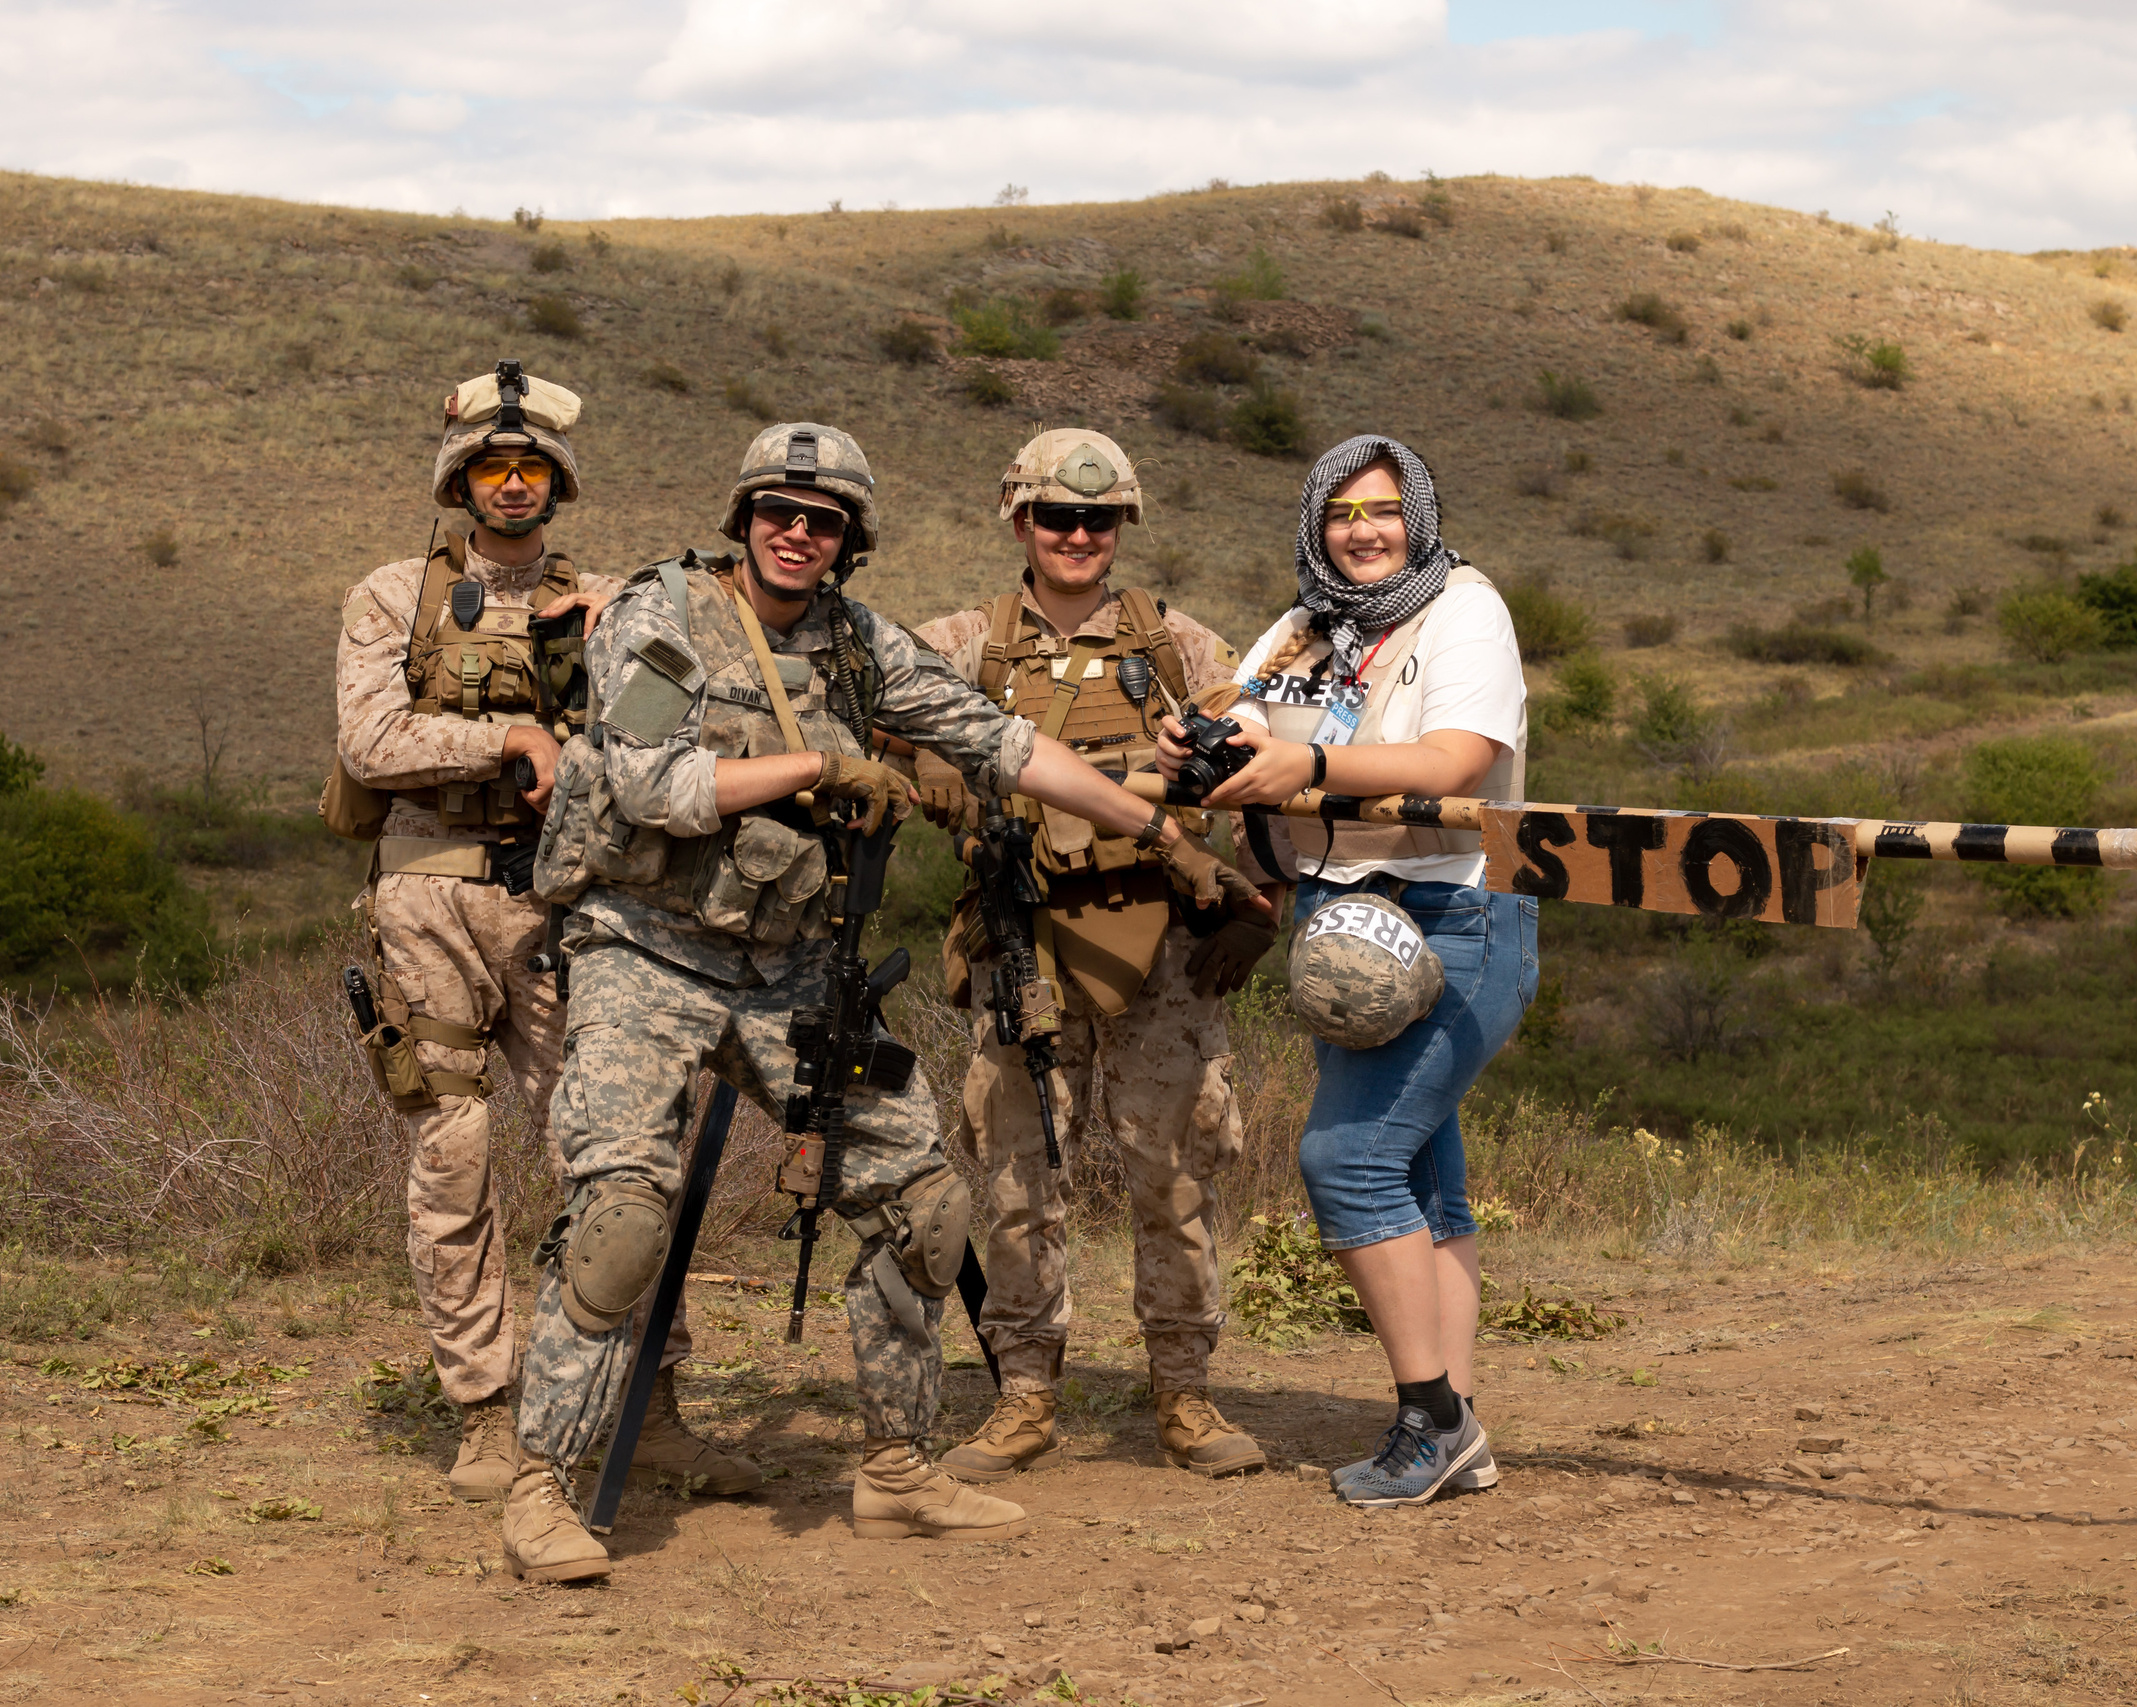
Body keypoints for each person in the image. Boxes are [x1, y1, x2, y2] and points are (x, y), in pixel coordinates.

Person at [498, 421, 1271, 1582]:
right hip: (642, 947)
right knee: (620, 1220)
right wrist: (817, 766)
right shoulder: (661, 615)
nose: (797, 534)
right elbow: (650, 784)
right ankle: (542, 1485)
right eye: (778, 513)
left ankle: (899, 1467)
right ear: (743, 519)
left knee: (918, 1198)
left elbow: (1006, 746)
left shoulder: (860, 645)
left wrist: (1164, 834)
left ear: (850, 540)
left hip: (789, 961)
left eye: (823, 521)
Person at [330, 364, 756, 1507]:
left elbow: (671, 728)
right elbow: (370, 741)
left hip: (572, 907)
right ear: (460, 481)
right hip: (427, 901)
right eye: (491, 468)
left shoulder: (618, 601)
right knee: (452, 1156)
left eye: (531, 468)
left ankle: (649, 1404)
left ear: (556, 485)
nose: (511, 485)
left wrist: (602, 669)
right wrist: (513, 737)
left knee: (617, 1155)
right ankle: (483, 1408)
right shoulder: (390, 597)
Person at [1157, 433, 1534, 1509]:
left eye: (1381, 509)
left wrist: (1306, 766)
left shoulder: (1465, 608)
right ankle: (1452, 1425)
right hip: (1343, 921)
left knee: (1349, 1159)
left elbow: (1453, 760)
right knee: (1422, 1177)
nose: (1362, 531)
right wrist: (1211, 743)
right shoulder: (1302, 626)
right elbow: (1240, 706)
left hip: (1454, 910)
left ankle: (1431, 1419)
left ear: (1416, 512)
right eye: (1340, 513)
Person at [908, 428, 1276, 1484]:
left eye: (1098, 519)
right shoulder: (958, 646)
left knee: (1177, 1169)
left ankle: (1186, 1393)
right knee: (1018, 1170)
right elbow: (873, 711)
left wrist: (1256, 899)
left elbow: (1248, 775)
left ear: (1121, 526)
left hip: (1162, 945)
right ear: (1019, 519)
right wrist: (926, 765)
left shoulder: (1183, 651)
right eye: (1057, 517)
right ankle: (1023, 1393)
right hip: (1020, 939)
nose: (1077, 536)